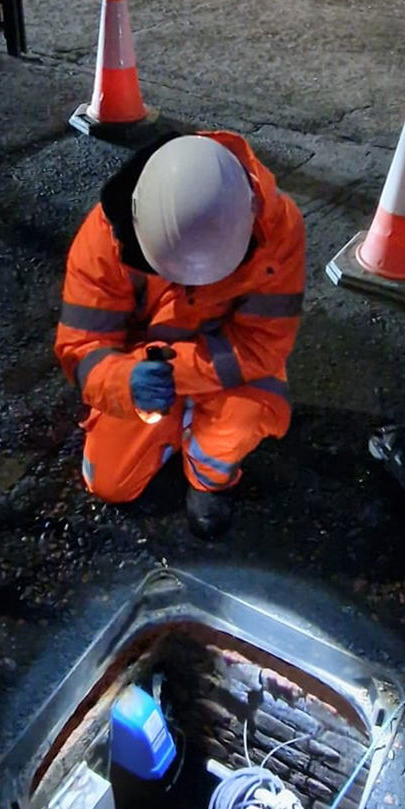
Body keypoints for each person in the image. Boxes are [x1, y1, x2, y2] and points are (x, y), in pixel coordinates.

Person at [54, 132, 305, 539]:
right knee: (109, 481)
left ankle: (209, 480)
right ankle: (178, 424)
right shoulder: (103, 241)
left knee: (242, 420)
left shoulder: (278, 228)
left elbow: (263, 343)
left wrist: (174, 373)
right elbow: (81, 347)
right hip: (143, 370)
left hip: (217, 369)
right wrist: (122, 380)